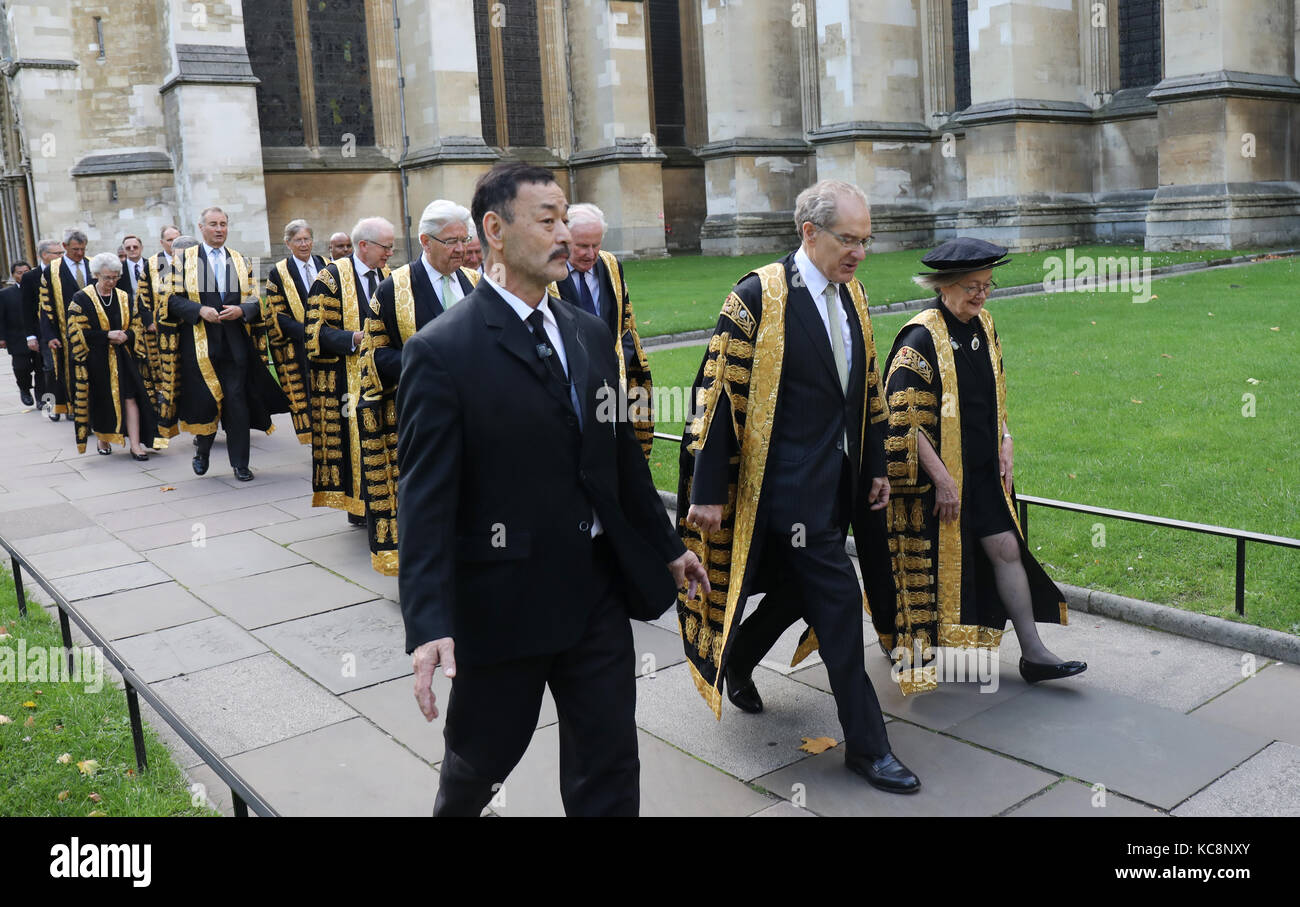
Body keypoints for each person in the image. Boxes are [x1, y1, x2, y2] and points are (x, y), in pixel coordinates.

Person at [399, 162, 709, 816]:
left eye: (566, 218)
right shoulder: (443, 351)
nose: (564, 233)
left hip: (595, 593)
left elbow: (618, 457)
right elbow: (424, 501)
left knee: (609, 763)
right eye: (548, 219)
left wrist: (667, 546)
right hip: (502, 604)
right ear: (495, 229)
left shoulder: (589, 333)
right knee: (480, 761)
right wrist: (429, 621)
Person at [678, 179, 920, 794]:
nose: (860, 252)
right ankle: (869, 746)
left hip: (837, 486)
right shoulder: (758, 295)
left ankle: (736, 659)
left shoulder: (853, 295)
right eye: (849, 239)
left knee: (793, 593)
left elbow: (865, 393)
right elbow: (716, 394)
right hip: (781, 489)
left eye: (867, 240)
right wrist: (707, 490)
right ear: (808, 232)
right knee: (839, 608)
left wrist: (873, 470)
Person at [878, 237, 1085, 691]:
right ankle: (904, 644)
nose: (982, 294)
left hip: (985, 472)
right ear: (945, 286)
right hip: (938, 480)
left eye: (987, 285)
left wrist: (1007, 438)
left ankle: (1033, 654)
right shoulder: (919, 338)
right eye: (972, 286)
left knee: (1007, 549)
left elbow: (996, 396)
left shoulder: (984, 325)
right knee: (924, 570)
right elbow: (904, 421)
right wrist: (943, 481)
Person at [356, 200, 480, 574]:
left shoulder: (475, 282)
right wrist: (429, 365)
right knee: (430, 497)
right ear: (425, 241)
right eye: (451, 241)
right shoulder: (394, 289)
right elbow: (374, 358)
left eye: (465, 239)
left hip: (475, 416)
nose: (461, 249)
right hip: (420, 416)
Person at [164, 208, 288, 481]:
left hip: (234, 342)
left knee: (236, 400)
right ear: (201, 227)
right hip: (200, 344)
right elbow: (170, 299)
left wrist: (242, 310)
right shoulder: (184, 260)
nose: (219, 229)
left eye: (223, 224)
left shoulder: (241, 260)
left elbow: (256, 299)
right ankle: (203, 451)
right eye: (213, 224)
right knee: (207, 401)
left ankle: (240, 463)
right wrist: (198, 310)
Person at [547, 203, 655, 459]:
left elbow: (625, 326)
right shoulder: (548, 272)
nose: (590, 253)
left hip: (612, 381)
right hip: (569, 385)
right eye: (582, 246)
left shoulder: (610, 264)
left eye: (596, 245)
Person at [304, 216, 393, 523]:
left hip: (382, 373)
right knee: (353, 439)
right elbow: (315, 331)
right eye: (386, 247)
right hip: (345, 375)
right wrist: (353, 339)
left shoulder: (389, 275)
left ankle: (382, 500)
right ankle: (359, 505)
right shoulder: (329, 278)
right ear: (364, 246)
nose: (390, 253)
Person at [65, 253, 161, 460]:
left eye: (115, 277)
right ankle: (104, 437)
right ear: (96, 275)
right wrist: (106, 335)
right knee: (103, 400)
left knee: (130, 397)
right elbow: (77, 332)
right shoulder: (81, 298)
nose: (111, 282)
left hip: (124, 356)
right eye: (107, 277)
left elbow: (136, 324)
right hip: (97, 359)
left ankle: (135, 444)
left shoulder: (124, 296)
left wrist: (127, 335)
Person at [263, 218, 326, 444]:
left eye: (307, 239)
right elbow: (277, 315)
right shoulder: (278, 273)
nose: (303, 244)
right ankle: (315, 438)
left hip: (328, 343)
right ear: (288, 243)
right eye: (298, 240)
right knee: (307, 393)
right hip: (297, 344)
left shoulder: (326, 265)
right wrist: (309, 333)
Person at [38, 230, 93, 421]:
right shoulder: (52, 270)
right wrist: (49, 335)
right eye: (75, 249)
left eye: (83, 249)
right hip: (65, 331)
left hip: (93, 330)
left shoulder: (93, 264)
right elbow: (45, 305)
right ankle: (75, 408)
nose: (80, 253)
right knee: (70, 371)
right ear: (65, 246)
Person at [19, 240, 60, 412]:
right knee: (49, 368)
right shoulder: (30, 277)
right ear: (44, 255)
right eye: (57, 253)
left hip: (62, 328)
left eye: (61, 253)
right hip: (42, 331)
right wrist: (30, 336)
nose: (60, 257)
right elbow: (27, 309)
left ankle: (69, 405)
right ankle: (50, 405)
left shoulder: (63, 272)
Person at [0, 261, 38, 406]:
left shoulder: (38, 289)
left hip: (38, 335)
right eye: (19, 273)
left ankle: (43, 398)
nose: (23, 275)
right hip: (16, 336)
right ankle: (25, 389)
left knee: (43, 369)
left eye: (26, 272)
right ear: (13, 275)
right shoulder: (5, 294)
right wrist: (1, 337)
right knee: (22, 368)